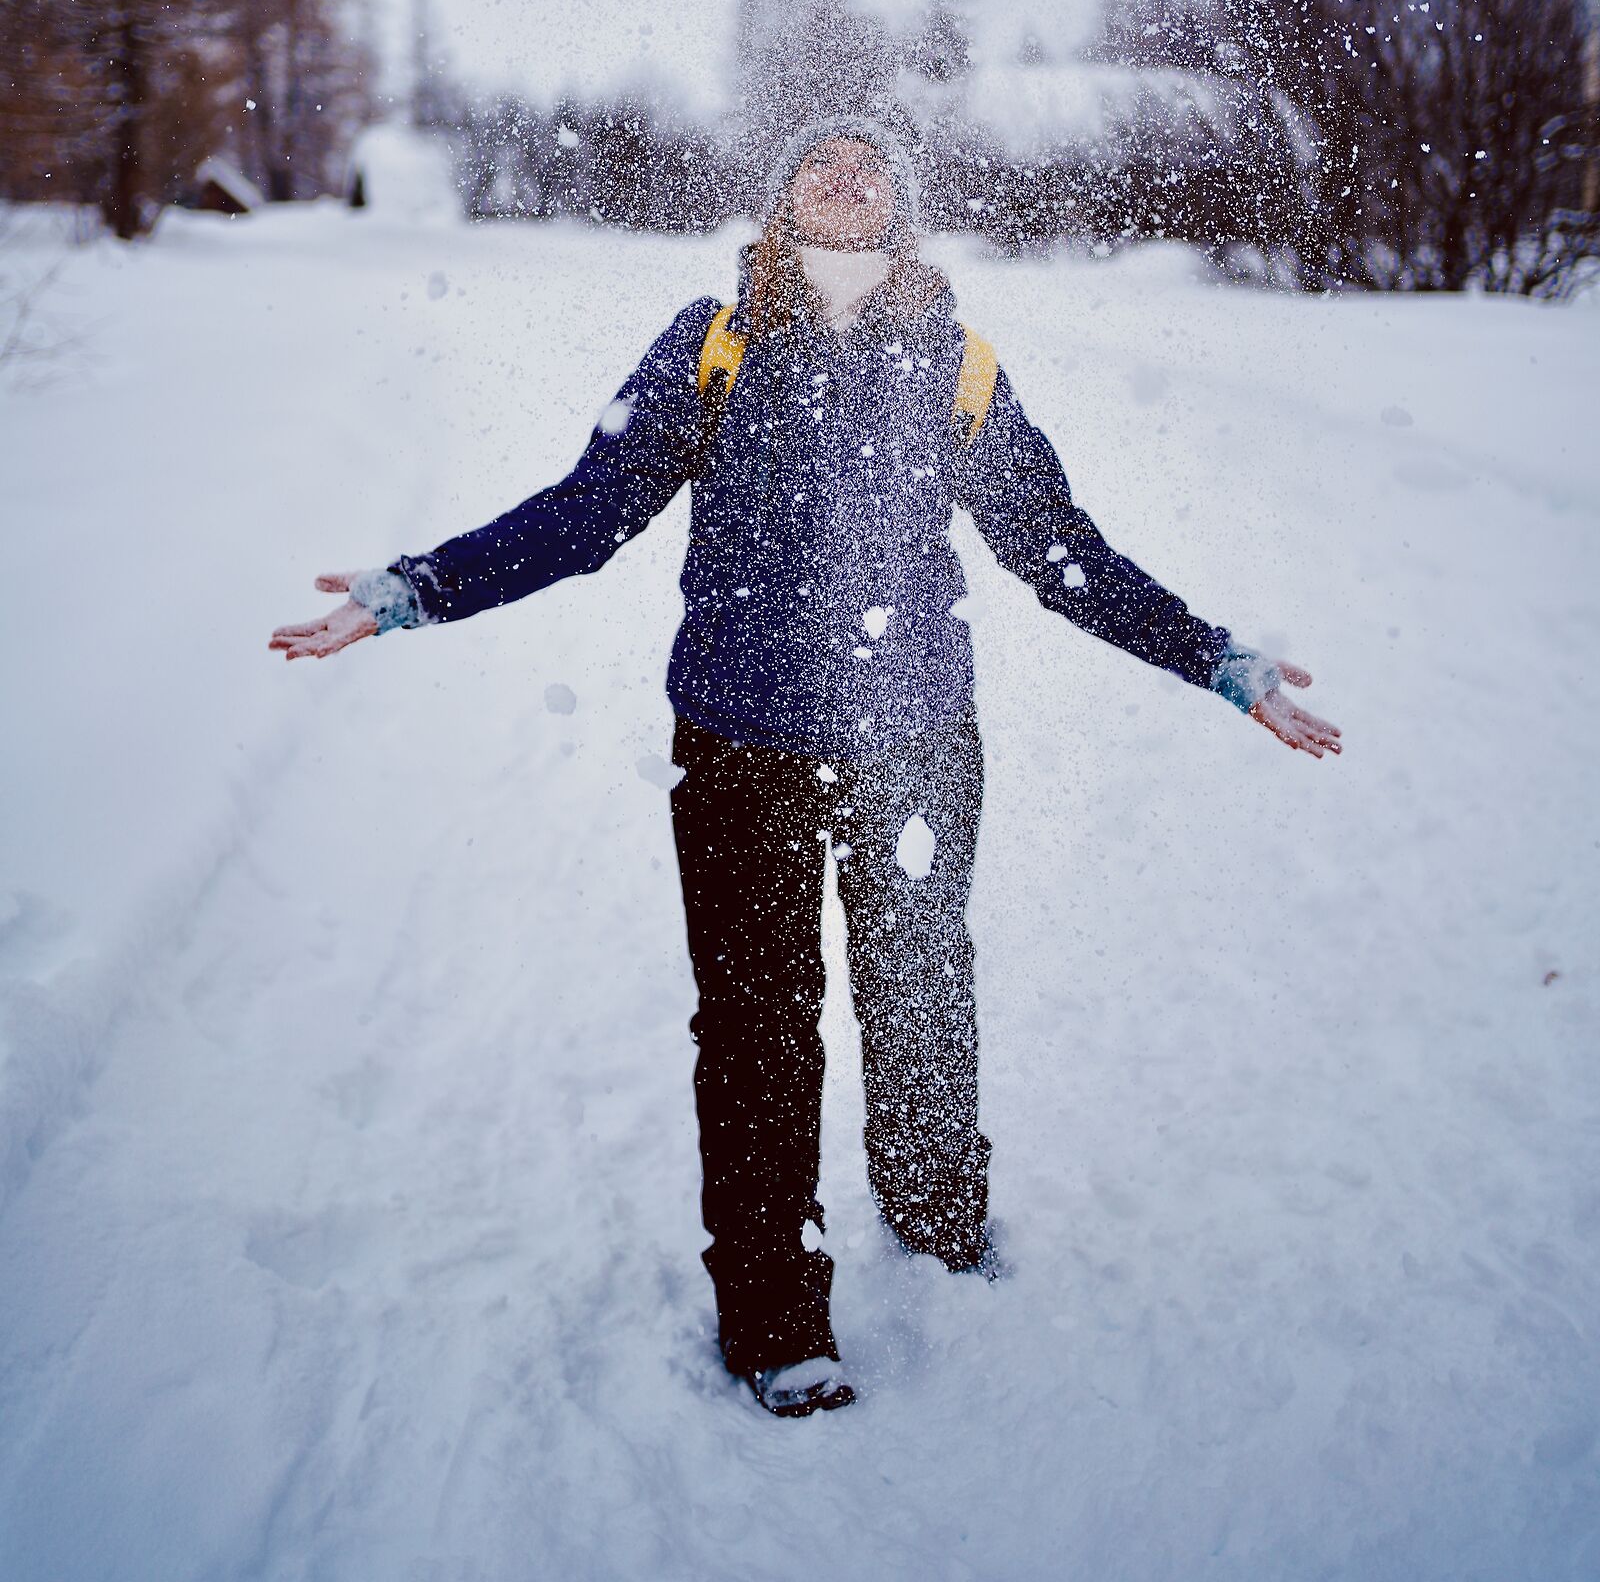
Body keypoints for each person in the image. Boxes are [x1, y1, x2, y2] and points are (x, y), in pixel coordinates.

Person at [270, 117, 1341, 1419]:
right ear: (782, 199)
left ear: (903, 207)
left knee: (923, 999)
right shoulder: (712, 341)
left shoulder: (958, 361)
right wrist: (414, 589)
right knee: (758, 1034)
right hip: (737, 746)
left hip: (919, 747)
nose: (847, 177)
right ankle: (777, 1319)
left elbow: (1057, 548)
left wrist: (1215, 659)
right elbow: (586, 508)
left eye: (873, 164)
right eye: (820, 162)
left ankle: (940, 1220)